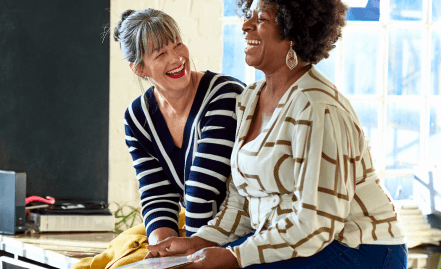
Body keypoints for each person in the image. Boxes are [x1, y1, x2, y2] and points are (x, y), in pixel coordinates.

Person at [146, 0, 408, 268]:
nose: (246, 26)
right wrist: (199, 242)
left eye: (261, 20)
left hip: (358, 247)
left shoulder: (317, 107)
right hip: (301, 240)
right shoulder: (249, 99)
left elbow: (316, 223)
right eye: (248, 16)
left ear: (294, 33)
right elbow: (242, 205)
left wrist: (235, 256)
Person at [71, 8, 246, 269]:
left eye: (177, 45)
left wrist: (189, 259)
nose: (177, 58)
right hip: (194, 238)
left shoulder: (224, 96)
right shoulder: (137, 117)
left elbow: (203, 191)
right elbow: (156, 195)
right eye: (161, 54)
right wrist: (162, 252)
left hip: (238, 235)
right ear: (139, 68)